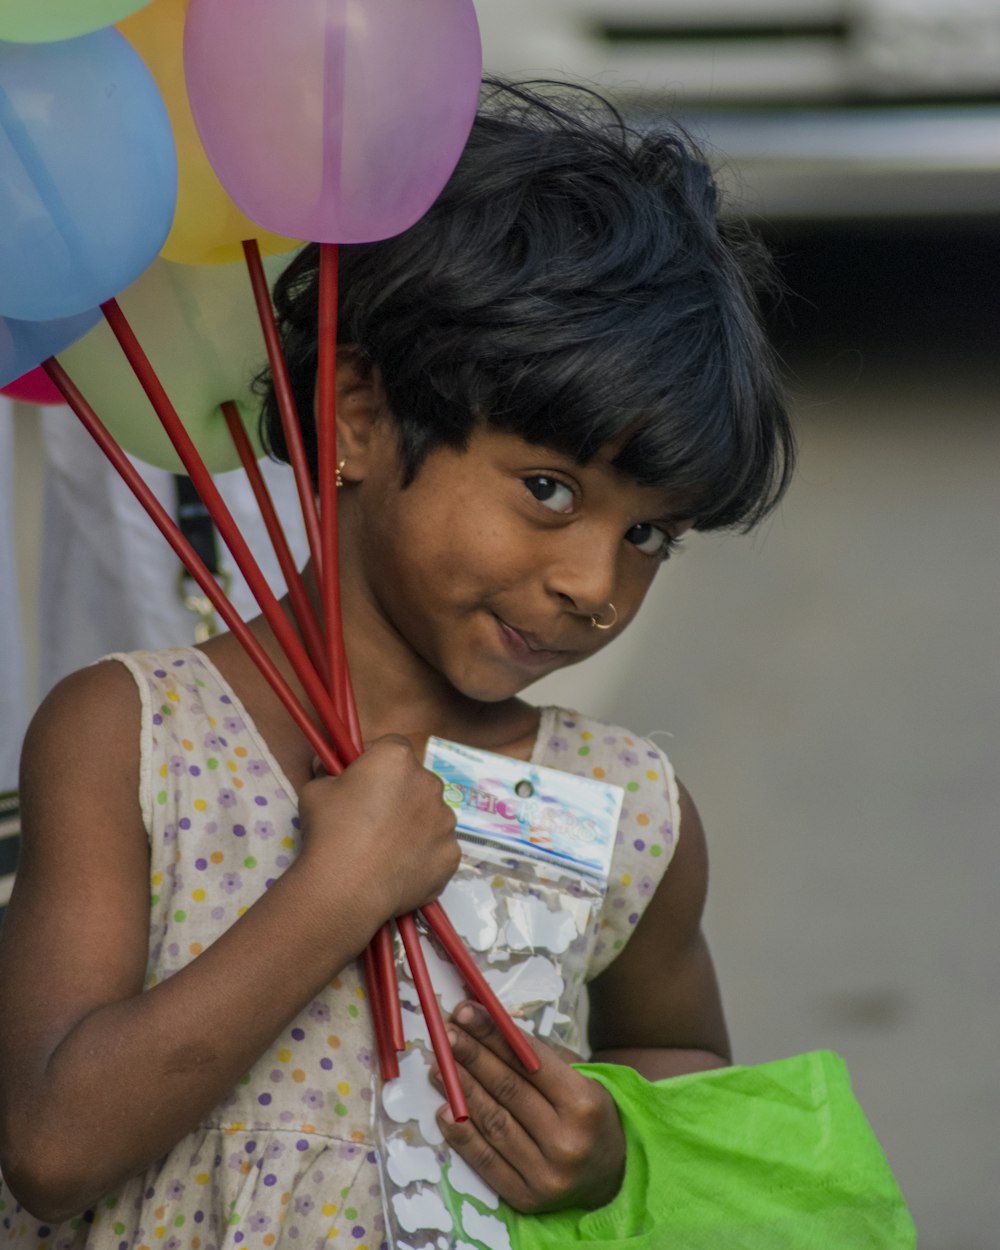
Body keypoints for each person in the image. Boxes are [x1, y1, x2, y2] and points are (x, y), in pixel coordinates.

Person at [0, 80, 793, 1249]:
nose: (594, 580)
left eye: (648, 533)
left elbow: (677, 1055)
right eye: (548, 489)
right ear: (361, 416)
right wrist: (334, 893)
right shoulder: (129, 736)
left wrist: (613, 1144)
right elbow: (52, 1148)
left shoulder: (626, 809)